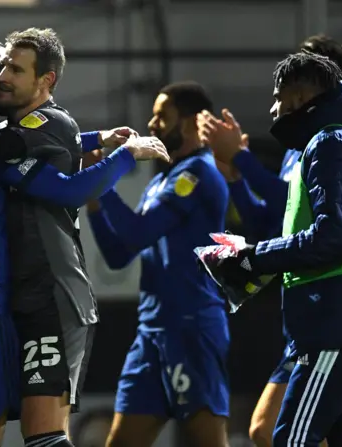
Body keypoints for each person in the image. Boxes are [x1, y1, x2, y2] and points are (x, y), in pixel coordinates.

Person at [0, 36, 168, 447]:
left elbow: (44, 160)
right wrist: (120, 150)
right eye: (2, 69)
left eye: (15, 70)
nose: (5, 78)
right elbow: (54, 172)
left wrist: (110, 145)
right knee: (4, 434)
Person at [202, 51, 342, 446]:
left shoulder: (332, 143)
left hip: (339, 322)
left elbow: (336, 236)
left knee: (291, 438)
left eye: (277, 98)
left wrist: (251, 259)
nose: (273, 109)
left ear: (296, 98)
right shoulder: (336, 141)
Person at [85, 81, 230, 447]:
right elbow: (120, 256)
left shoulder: (197, 174)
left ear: (191, 122)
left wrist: (101, 180)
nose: (152, 123)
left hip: (190, 326)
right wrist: (95, 205)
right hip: (151, 333)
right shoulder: (162, 180)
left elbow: (135, 232)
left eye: (161, 115)